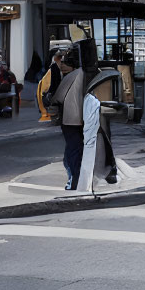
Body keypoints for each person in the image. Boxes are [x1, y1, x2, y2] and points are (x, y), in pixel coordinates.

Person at [51, 50, 85, 189]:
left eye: (66, 63)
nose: (63, 65)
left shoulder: (70, 77)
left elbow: (57, 97)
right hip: (83, 119)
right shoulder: (86, 74)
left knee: (72, 151)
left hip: (70, 119)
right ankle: (77, 179)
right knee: (77, 149)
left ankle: (74, 181)